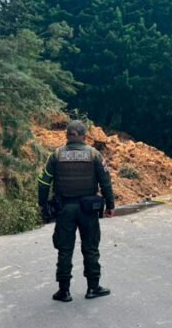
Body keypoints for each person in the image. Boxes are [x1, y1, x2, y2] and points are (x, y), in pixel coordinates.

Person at [38, 120, 115, 302]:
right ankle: (93, 288)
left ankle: (64, 291)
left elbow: (43, 182)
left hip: (64, 209)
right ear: (84, 136)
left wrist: (43, 205)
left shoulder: (56, 155)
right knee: (90, 247)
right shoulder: (94, 155)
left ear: (67, 136)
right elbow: (105, 181)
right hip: (88, 209)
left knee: (65, 249)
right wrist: (110, 205)